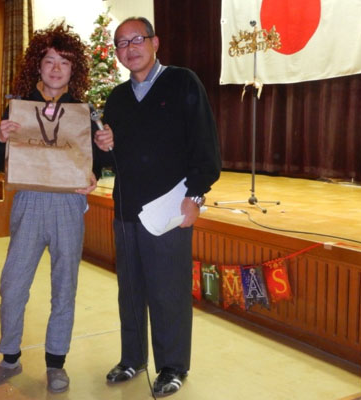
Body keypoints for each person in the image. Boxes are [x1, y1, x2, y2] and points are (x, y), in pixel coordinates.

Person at [93, 17, 221, 397]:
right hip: (126, 208)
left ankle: (173, 365)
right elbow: (114, 157)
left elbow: (205, 143)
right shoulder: (117, 98)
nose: (129, 48)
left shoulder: (182, 82)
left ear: (155, 42)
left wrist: (196, 196)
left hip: (169, 208)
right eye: (121, 43)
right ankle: (132, 358)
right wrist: (104, 147)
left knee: (169, 291)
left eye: (137, 39)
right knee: (130, 290)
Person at [0, 22, 100, 394]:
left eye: (64, 62)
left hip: (69, 202)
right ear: (38, 65)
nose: (55, 69)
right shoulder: (19, 107)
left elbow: (97, 162)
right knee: (12, 285)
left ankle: (56, 363)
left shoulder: (83, 111)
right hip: (29, 201)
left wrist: (97, 169)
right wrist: (0, 138)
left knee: (64, 287)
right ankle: (10, 359)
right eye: (49, 60)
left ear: (73, 69)